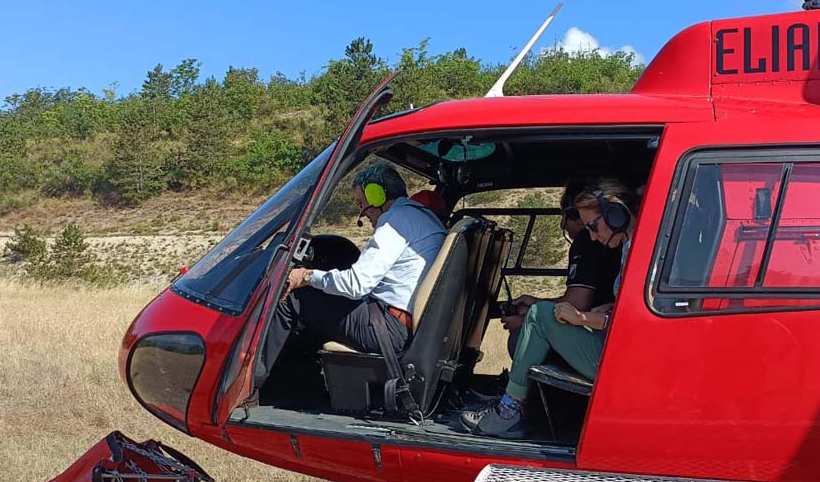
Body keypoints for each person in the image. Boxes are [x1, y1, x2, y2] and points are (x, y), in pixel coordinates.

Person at [462, 177, 638, 439]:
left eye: (593, 226)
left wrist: (581, 318)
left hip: (623, 359)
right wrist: (609, 308)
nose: (591, 236)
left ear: (616, 215)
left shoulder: (640, 250)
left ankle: (510, 410)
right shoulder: (633, 247)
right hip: (620, 347)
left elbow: (637, 322)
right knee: (540, 312)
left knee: (538, 316)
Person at [268, 164, 447, 363]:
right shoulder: (423, 217)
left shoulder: (395, 221)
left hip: (388, 329)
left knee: (294, 297)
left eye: (362, 203)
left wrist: (307, 276)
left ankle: (250, 387)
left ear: (376, 195)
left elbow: (357, 285)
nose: (362, 213)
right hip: (403, 326)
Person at [500, 176, 622, 357]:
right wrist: (536, 304)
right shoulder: (617, 240)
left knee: (520, 339)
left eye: (564, 216)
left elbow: (577, 303)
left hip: (604, 337)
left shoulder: (586, 241)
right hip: (604, 328)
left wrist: (525, 319)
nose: (562, 225)